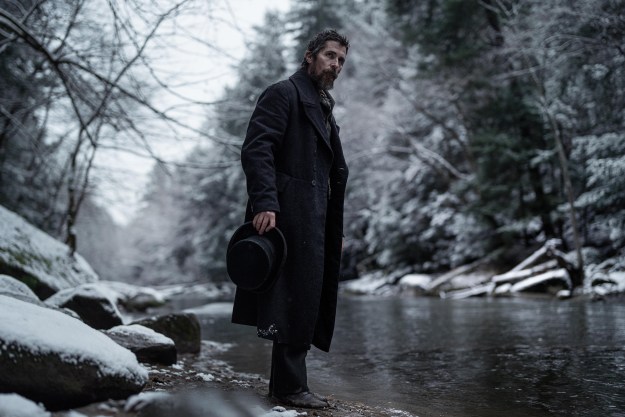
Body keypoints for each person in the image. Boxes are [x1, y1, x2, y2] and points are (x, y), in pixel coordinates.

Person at [231, 29, 350, 409]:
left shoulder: (323, 107)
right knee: (291, 298)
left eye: (341, 61)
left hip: (315, 218)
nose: (335, 65)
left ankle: (289, 385)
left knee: (306, 298)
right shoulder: (283, 93)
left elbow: (332, 173)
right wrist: (266, 201)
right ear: (310, 55)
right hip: (286, 213)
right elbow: (257, 149)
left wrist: (336, 230)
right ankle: (289, 388)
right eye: (330, 56)